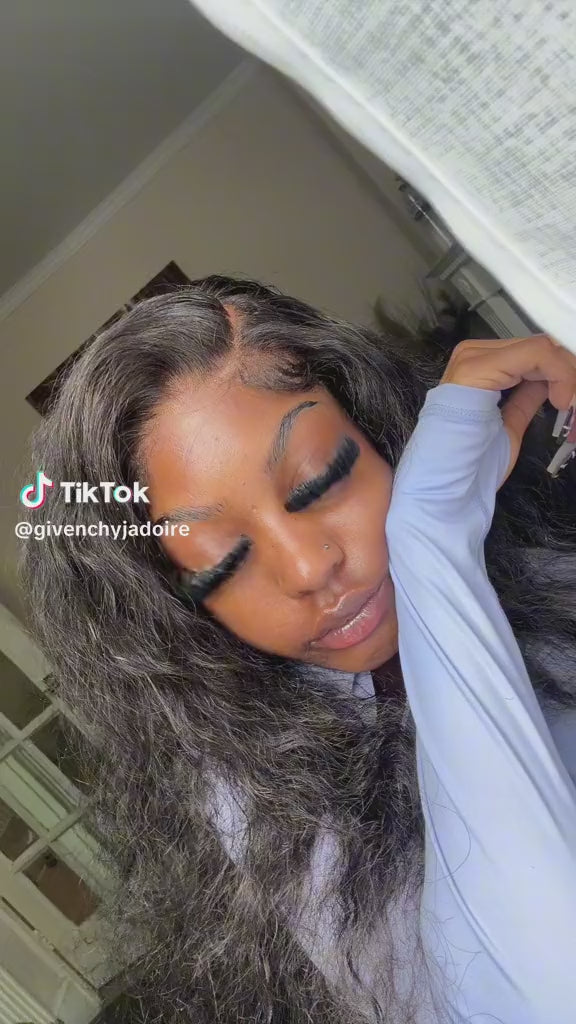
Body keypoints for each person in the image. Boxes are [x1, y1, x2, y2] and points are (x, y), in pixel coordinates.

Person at [20, 276, 576, 1024]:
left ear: (382, 434)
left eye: (322, 481)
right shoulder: (266, 805)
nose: (309, 568)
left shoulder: (544, 576)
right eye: (221, 566)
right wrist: (430, 541)